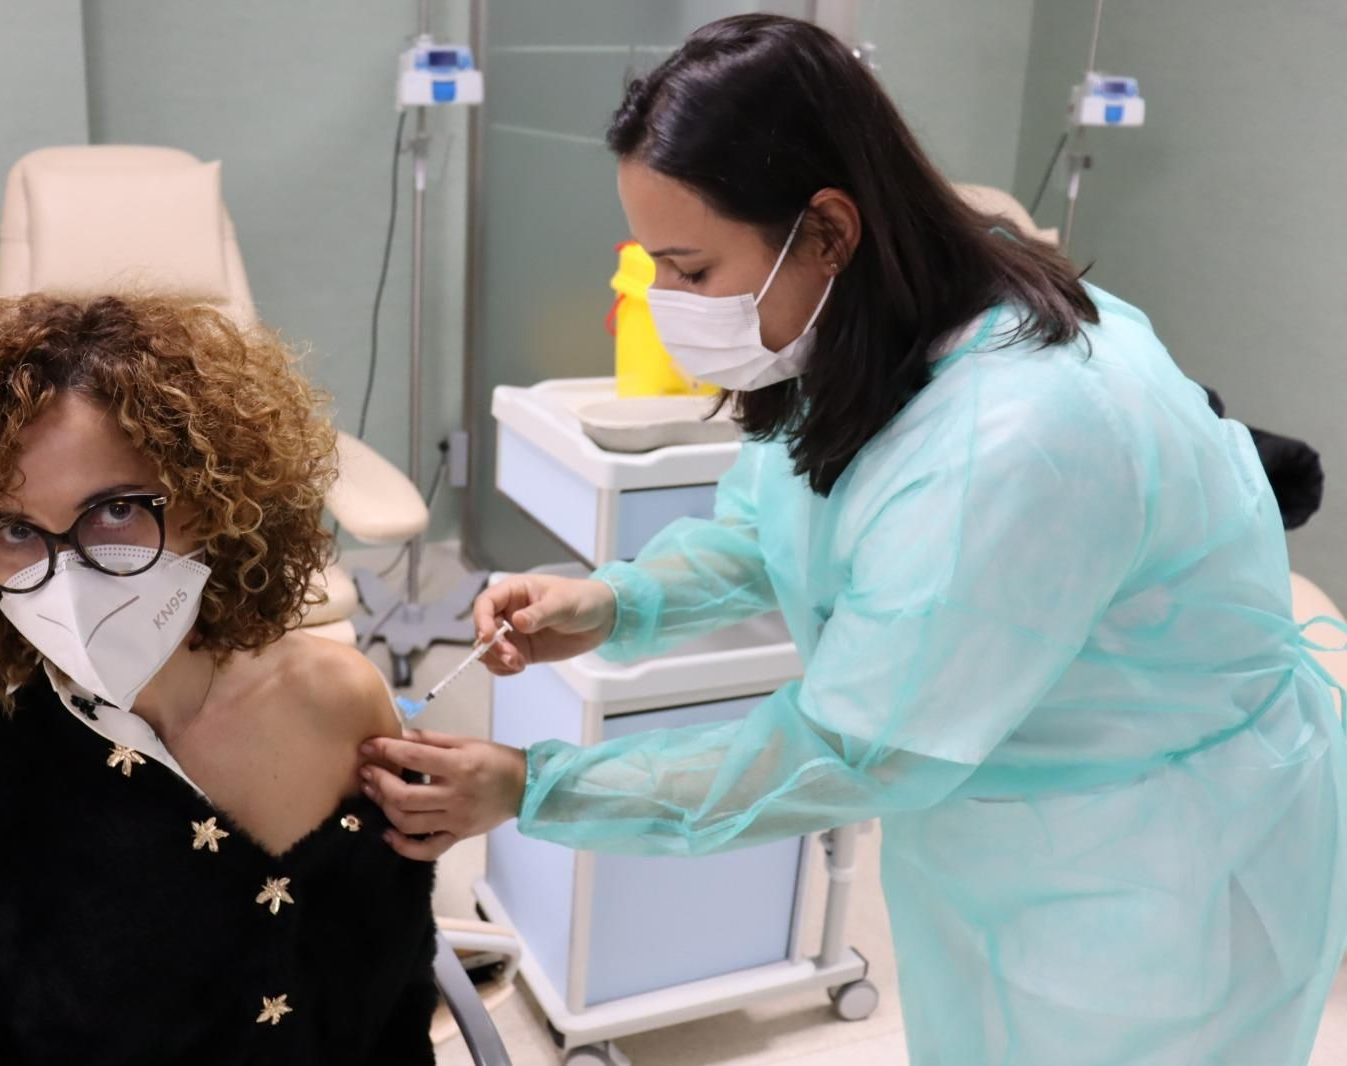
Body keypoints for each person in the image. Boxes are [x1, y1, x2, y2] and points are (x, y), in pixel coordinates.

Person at [360, 14, 1347, 1065]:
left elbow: (847, 746)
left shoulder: (1014, 438)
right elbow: (775, 521)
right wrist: (614, 602)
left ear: (826, 228)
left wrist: (536, 784)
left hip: (1150, 880)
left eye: (690, 270)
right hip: (1009, 827)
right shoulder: (868, 329)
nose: (666, 303)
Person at [0, 294, 439, 1064]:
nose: (70, 579)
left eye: (116, 511)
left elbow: (395, 1007)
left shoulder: (342, 699)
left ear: (217, 499)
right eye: (15, 530)